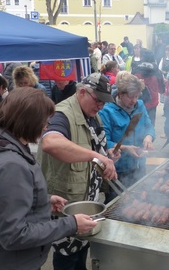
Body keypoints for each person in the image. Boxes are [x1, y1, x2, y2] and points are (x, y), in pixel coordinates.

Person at [0, 88, 99, 270]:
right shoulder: (9, 166)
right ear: (28, 122)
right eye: (44, 122)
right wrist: (71, 224)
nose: (46, 127)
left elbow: (2, 203)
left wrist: (43, 201)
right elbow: (14, 235)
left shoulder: (2, 144)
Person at [38, 73, 119, 269]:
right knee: (67, 259)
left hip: (87, 202)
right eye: (98, 100)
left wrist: (108, 154)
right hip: (66, 206)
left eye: (104, 102)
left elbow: (91, 148)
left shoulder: (92, 114)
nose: (101, 106)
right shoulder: (62, 114)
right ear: (82, 92)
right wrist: (98, 156)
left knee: (81, 257)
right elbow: (50, 142)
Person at [99, 73, 155, 201]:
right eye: (131, 96)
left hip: (139, 165)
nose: (134, 100)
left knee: (140, 201)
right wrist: (125, 148)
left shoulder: (140, 105)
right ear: (120, 93)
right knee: (118, 204)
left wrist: (148, 137)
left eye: (137, 96)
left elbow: (149, 125)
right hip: (118, 170)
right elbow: (104, 141)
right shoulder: (107, 111)